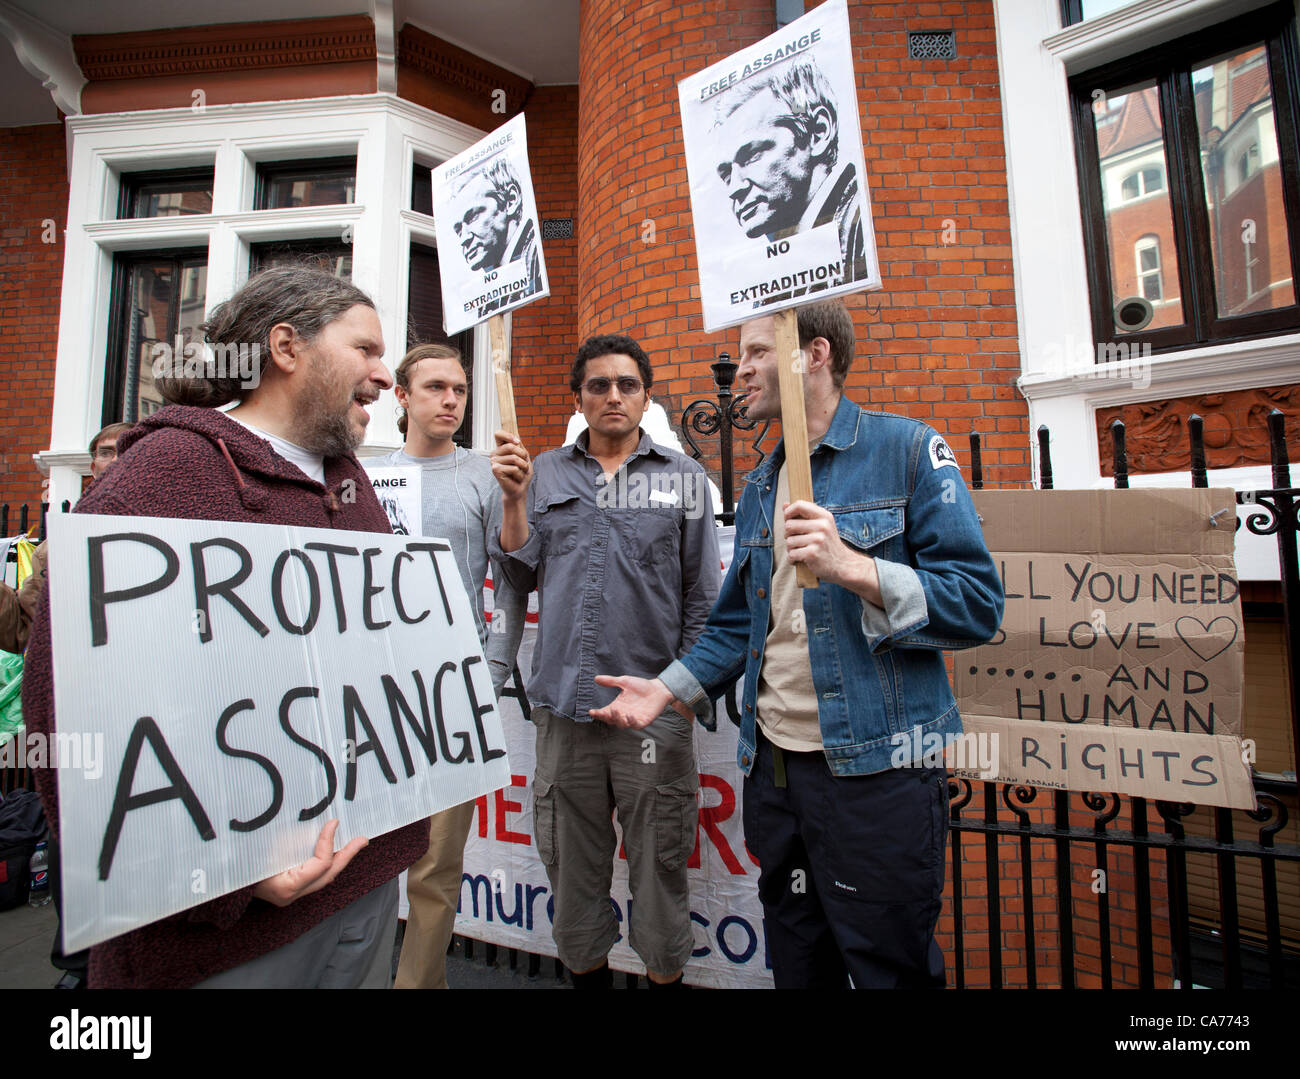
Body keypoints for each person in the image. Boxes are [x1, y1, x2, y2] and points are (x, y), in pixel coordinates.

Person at [21, 266, 430, 989]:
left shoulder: (350, 483)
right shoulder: (164, 474)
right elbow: (70, 711)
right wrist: (219, 878)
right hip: (225, 938)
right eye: (365, 348)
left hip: (363, 884)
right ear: (285, 346)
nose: (383, 374)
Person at [590, 300, 1004, 988]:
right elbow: (736, 625)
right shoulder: (762, 483)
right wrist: (665, 688)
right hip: (776, 773)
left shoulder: (906, 450)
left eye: (755, 352)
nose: (738, 369)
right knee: (798, 963)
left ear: (813, 353)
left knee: (886, 969)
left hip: (877, 774)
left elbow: (978, 605)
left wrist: (855, 567)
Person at [489, 334, 720, 988]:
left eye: (626, 384)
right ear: (579, 397)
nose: (612, 395)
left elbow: (704, 601)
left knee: (659, 876)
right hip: (565, 714)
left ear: (646, 397)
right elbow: (515, 567)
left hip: (652, 721)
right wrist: (511, 500)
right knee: (571, 877)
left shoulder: (683, 480)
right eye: (598, 385)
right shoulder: (545, 474)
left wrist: (677, 701)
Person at [380, 342, 524, 989]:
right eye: (435, 386)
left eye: (460, 389)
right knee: (366, 863)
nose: (450, 400)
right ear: (402, 396)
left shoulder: (484, 477)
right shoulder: (368, 479)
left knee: (435, 866)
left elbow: (512, 585)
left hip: (453, 701)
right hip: (376, 698)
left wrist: (489, 678)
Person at [711, 59, 868, 287]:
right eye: (726, 174)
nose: (734, 188)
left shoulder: (857, 227)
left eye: (752, 156)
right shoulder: (785, 259)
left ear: (818, 133)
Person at [0, 422, 131, 657]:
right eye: (106, 452)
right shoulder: (55, 547)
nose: (114, 460)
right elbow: (22, 631)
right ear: (93, 468)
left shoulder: (178, 524)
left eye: (126, 449)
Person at [450, 159, 542, 314]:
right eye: (458, 230)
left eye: (472, 217)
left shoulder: (535, 258)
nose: (463, 239)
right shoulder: (488, 295)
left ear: (511, 201)